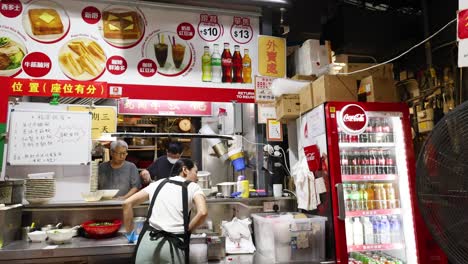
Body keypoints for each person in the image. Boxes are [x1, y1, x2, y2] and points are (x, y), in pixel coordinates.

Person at [123, 158, 208, 263]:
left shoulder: (158, 183)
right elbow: (203, 212)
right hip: (174, 245)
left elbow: (127, 203)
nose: (197, 178)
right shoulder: (193, 187)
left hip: (148, 243)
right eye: (196, 172)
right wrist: (188, 229)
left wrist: (130, 232)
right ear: (185, 170)